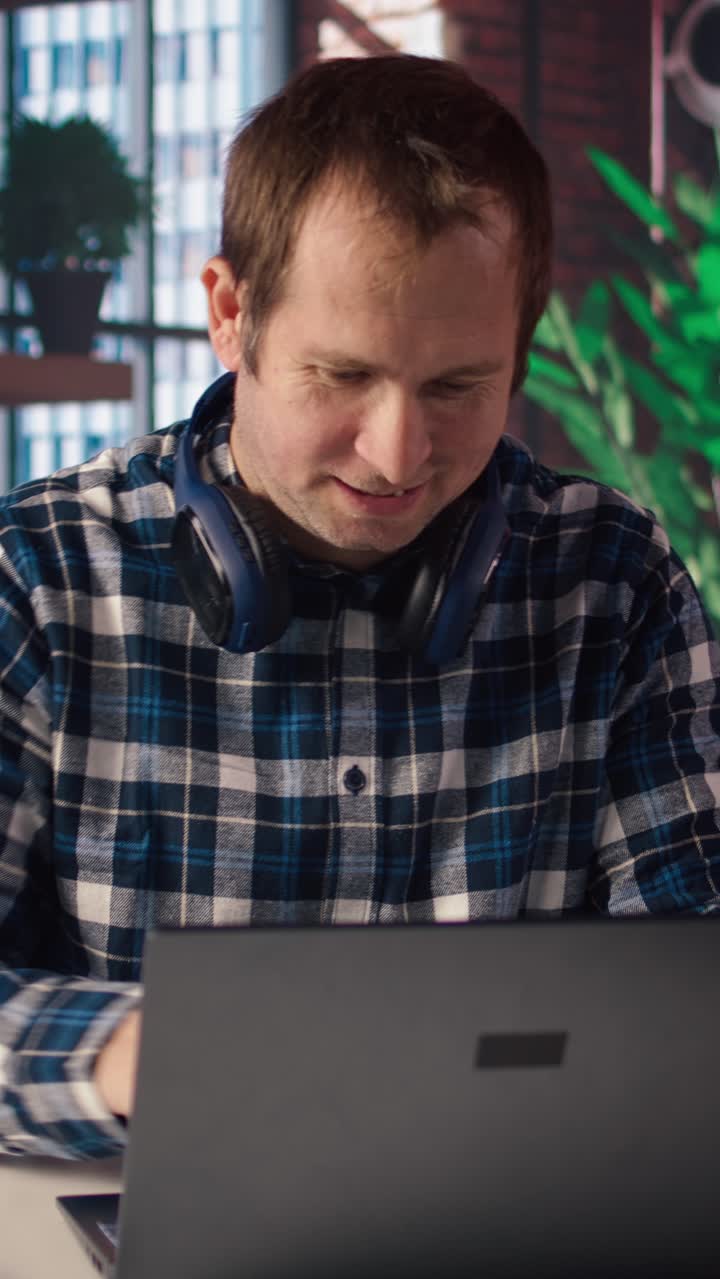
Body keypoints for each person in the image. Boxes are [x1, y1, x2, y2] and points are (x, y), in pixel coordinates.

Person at [1, 52, 719, 1163]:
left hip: (518, 1214)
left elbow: (692, 984)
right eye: (341, 375)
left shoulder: (616, 583)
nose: (397, 454)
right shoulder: (39, 574)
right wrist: (134, 1052)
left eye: (457, 386)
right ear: (231, 313)